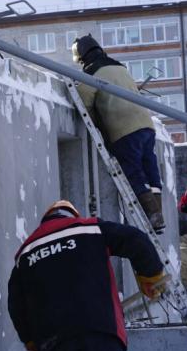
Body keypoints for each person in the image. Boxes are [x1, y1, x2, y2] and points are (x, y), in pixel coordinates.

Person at [7, 199, 165, 351]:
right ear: (71, 215)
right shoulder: (89, 228)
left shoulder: (26, 252)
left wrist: (32, 344)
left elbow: (16, 305)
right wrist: (151, 275)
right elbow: (136, 240)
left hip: (53, 339)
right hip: (98, 327)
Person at [71, 34, 165, 232]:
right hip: (146, 126)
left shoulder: (92, 72)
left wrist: (97, 123)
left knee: (133, 172)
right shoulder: (119, 67)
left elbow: (83, 101)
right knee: (150, 170)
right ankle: (158, 213)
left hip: (123, 129)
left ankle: (152, 214)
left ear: (82, 56)